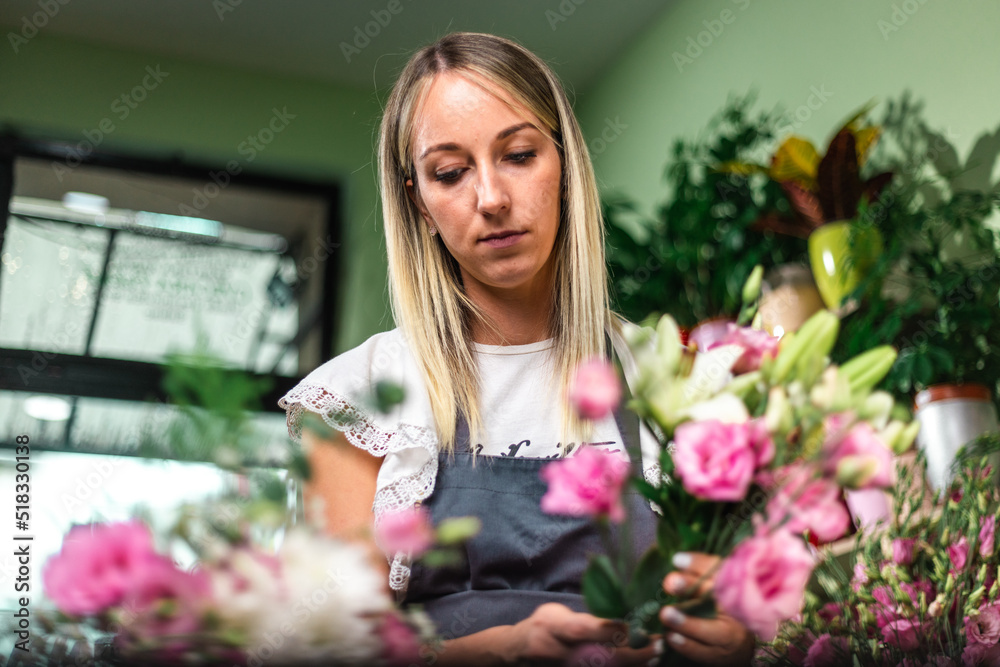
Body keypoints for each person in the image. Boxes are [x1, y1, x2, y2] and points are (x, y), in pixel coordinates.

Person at [280, 32, 754, 666]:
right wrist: (502, 649)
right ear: (418, 201)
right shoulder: (350, 403)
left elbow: (738, 604)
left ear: (564, 164)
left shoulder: (673, 379)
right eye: (450, 173)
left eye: (520, 155)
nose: (491, 199)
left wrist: (732, 640)